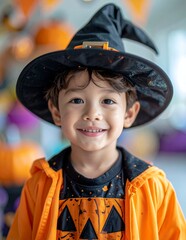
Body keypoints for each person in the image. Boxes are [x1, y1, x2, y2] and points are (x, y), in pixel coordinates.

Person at [7, 3, 186, 240]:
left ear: (129, 114)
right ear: (56, 111)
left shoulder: (154, 187)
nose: (93, 113)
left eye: (108, 101)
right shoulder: (38, 185)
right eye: (77, 100)